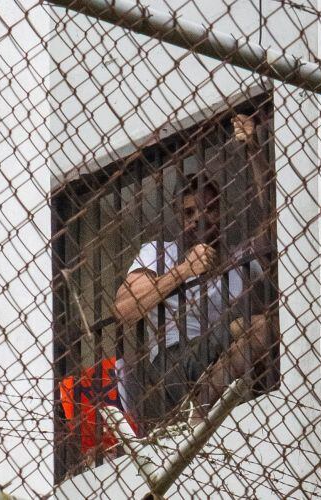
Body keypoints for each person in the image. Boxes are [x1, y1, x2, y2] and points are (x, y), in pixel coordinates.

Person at [112, 114, 275, 431]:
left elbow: (277, 215)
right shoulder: (159, 253)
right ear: (178, 216)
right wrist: (183, 271)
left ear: (221, 212)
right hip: (171, 365)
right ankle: (198, 407)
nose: (200, 218)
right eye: (189, 212)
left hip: (220, 358)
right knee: (251, 327)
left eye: (209, 209)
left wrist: (253, 148)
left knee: (263, 327)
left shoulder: (238, 257)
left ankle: (200, 406)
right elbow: (124, 310)